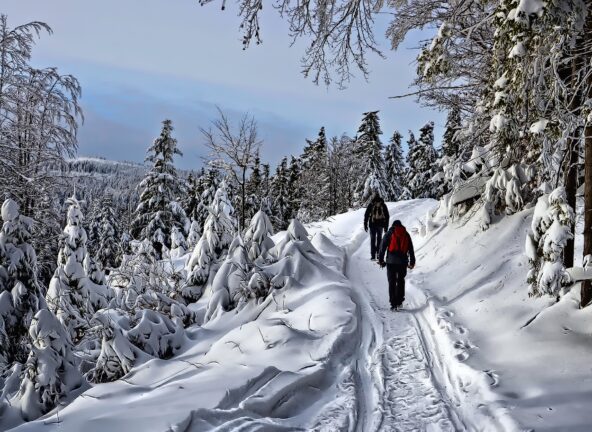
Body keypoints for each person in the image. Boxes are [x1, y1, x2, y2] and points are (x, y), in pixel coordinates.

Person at [378, 220, 415, 311]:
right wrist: (412, 262)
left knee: (392, 282)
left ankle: (393, 304)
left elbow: (382, 247)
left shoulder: (389, 233)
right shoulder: (406, 234)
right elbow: (411, 249)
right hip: (403, 262)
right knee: (401, 281)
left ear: (393, 226)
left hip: (391, 262)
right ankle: (399, 302)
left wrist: (381, 260)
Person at [363, 193, 389, 260]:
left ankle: (373, 256)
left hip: (372, 224)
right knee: (379, 239)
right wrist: (386, 227)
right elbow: (387, 216)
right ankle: (378, 254)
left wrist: (365, 224)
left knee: (372, 240)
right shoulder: (383, 204)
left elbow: (366, 214)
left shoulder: (371, 204)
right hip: (380, 225)